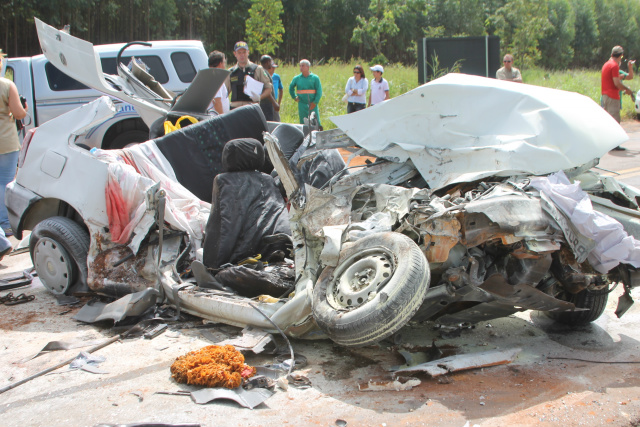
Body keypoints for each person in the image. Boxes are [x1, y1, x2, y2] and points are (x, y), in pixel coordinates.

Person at [0, 49, 27, 258]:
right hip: (6, 143)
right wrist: (22, 108)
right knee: (6, 183)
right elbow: (18, 113)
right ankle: (6, 223)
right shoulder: (7, 85)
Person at [228, 41, 273, 120]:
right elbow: (224, 93)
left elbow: (268, 88)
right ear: (235, 54)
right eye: (239, 52)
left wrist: (259, 97)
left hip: (252, 109)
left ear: (248, 52)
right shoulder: (230, 72)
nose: (242, 55)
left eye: (244, 52)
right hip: (235, 110)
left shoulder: (257, 69)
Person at [602, 46, 634, 151]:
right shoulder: (614, 66)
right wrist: (627, 89)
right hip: (612, 97)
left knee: (608, 121)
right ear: (620, 56)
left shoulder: (606, 64)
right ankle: (614, 144)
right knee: (615, 121)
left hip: (605, 96)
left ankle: (607, 143)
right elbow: (617, 83)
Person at [289, 59, 323, 128]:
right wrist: (294, 97)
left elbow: (319, 91)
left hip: (312, 103)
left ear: (308, 67)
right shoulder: (297, 78)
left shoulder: (315, 78)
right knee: (303, 121)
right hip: (302, 103)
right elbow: (291, 87)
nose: (301, 67)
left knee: (315, 120)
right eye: (300, 66)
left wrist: (315, 102)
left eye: (303, 66)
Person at [261, 55, 283, 121]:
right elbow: (266, 89)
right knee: (270, 123)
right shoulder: (264, 73)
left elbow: (281, 89)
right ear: (267, 62)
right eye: (270, 62)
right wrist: (274, 103)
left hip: (267, 103)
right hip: (266, 103)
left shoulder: (261, 72)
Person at [208, 50, 230, 115]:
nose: (225, 65)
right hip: (216, 119)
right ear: (220, 64)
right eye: (224, 62)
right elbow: (217, 101)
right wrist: (222, 119)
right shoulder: (215, 78)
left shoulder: (209, 76)